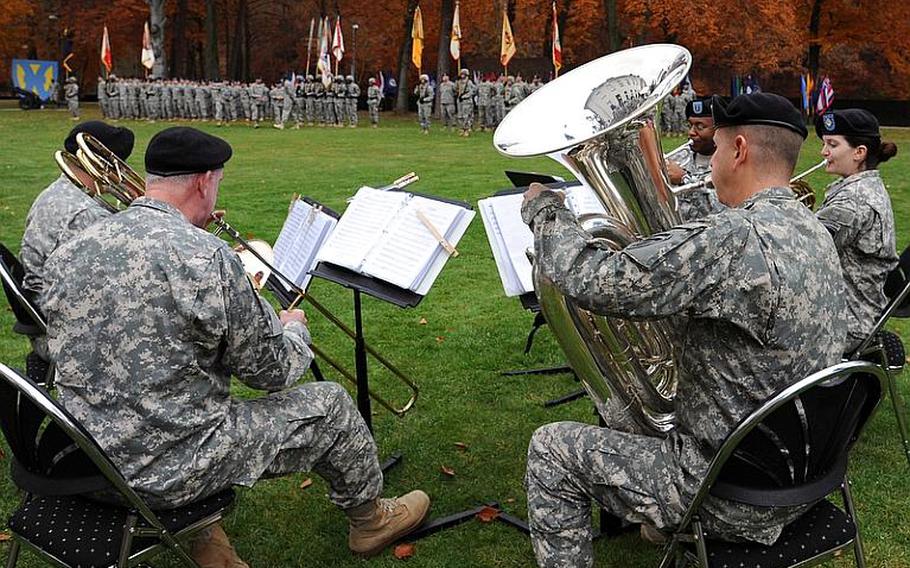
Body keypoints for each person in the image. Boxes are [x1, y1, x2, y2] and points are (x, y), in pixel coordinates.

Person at [41, 127, 431, 566]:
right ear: (205, 181)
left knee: (174, 400)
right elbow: (273, 371)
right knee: (332, 406)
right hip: (164, 471)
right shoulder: (206, 257)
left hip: (81, 458)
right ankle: (372, 520)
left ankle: (208, 540)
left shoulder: (71, 249)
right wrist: (293, 328)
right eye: (218, 182)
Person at [521, 93, 846, 567]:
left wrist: (548, 212)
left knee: (551, 450)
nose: (709, 163)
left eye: (713, 150)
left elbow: (591, 281)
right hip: (806, 476)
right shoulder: (813, 228)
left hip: (730, 490)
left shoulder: (732, 238)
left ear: (738, 150)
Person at [815, 108, 899, 353]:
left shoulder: (854, 202)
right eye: (824, 144)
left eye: (832, 144)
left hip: (845, 322)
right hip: (845, 308)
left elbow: (805, 251)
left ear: (859, 153)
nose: (823, 152)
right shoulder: (861, 187)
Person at [667, 95, 723, 220]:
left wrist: (684, 179)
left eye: (700, 127)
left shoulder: (729, 165)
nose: (691, 132)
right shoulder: (678, 158)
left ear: (718, 130)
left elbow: (721, 211)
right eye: (690, 125)